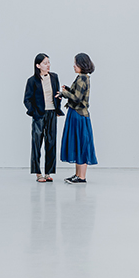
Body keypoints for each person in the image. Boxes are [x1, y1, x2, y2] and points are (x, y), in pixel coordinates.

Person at [23, 53, 63, 182]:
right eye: (45, 63)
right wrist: (33, 112)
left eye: (49, 62)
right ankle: (38, 173)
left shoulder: (54, 77)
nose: (48, 65)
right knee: (36, 143)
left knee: (51, 143)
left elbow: (57, 94)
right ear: (38, 65)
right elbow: (27, 99)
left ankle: (48, 172)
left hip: (52, 113)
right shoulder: (32, 80)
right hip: (39, 115)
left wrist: (57, 107)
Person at [59, 53, 97, 184]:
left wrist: (64, 93)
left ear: (82, 65)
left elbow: (77, 98)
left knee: (80, 143)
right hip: (77, 114)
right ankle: (78, 175)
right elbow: (77, 94)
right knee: (78, 143)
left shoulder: (82, 78)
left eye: (76, 63)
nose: (74, 66)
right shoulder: (82, 77)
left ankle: (81, 177)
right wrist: (68, 90)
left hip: (78, 115)